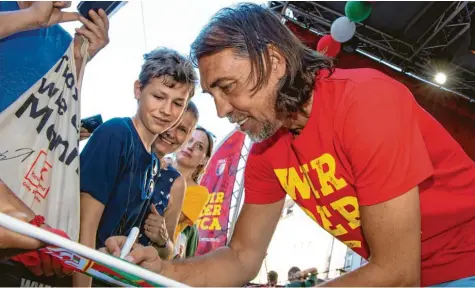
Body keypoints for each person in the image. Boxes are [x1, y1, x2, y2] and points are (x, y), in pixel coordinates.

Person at [101, 3, 475, 287]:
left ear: (275, 62)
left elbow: (396, 271)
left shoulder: (364, 103)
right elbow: (242, 256)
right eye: (212, 94)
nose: (222, 109)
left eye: (227, 87)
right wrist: (164, 268)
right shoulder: (267, 149)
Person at [0, 1, 109, 285]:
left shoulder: (63, 43)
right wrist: (29, 18)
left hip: (21, 197)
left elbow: (58, 120)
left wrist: (79, 58)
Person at [77, 47, 197, 287]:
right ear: (138, 90)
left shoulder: (153, 163)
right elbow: (84, 229)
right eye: (158, 97)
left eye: (178, 104)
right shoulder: (116, 134)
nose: (166, 111)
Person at [139, 101, 200, 260]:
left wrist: (162, 239)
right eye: (171, 121)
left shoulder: (176, 182)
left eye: (181, 129)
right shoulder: (124, 148)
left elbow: (168, 252)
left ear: (187, 137)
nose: (171, 133)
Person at [146, 124, 214, 260]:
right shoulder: (153, 164)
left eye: (199, 146)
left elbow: (167, 218)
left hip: (157, 253)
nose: (191, 147)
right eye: (189, 140)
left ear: (204, 160)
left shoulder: (199, 193)